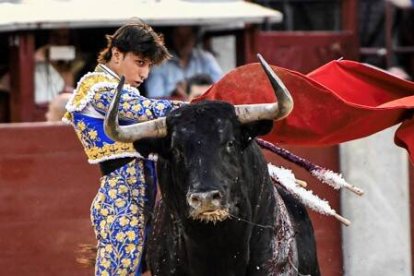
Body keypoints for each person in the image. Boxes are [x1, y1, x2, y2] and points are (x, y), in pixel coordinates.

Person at [63, 22, 182, 276]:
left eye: (149, 65)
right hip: (121, 201)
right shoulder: (96, 87)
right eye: (140, 63)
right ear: (116, 54)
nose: (145, 73)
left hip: (143, 201)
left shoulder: (125, 91)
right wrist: (197, 107)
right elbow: (144, 111)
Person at [144, 25, 223, 98]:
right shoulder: (160, 62)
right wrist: (176, 95)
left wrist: (200, 91)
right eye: (179, 36)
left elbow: (221, 88)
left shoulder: (206, 59)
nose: (183, 41)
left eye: (187, 36)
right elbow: (154, 98)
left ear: (195, 37)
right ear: (172, 37)